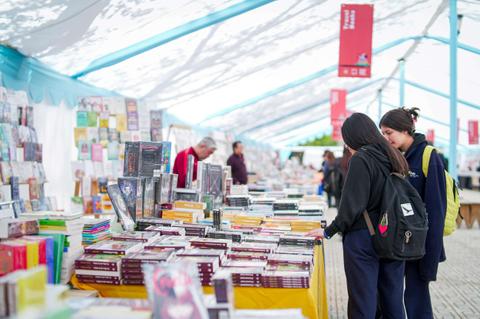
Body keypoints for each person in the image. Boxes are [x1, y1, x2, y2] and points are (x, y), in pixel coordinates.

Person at [307, 113, 409, 319]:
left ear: (354, 138)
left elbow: (352, 205)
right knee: (392, 300)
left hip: (364, 237)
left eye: (347, 142)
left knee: (363, 300)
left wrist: (329, 230)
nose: (347, 147)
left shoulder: (362, 158)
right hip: (393, 234)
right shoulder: (393, 156)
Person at [380, 107, 446, 319]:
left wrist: (432, 253)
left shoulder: (429, 156)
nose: (386, 138)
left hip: (419, 241)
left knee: (417, 297)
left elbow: (437, 209)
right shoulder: (395, 156)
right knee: (391, 293)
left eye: (389, 132)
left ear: (405, 130)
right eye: (383, 133)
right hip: (396, 239)